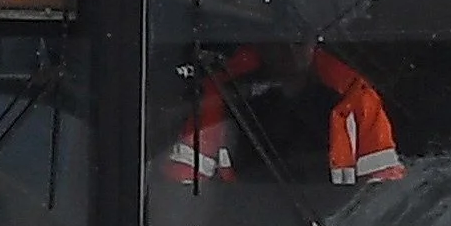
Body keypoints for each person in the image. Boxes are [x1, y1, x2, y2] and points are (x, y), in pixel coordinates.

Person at [162, 44, 403, 188]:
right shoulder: (221, 93)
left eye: (299, 37)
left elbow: (383, 191)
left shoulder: (357, 96)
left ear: (315, 39)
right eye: (281, 36)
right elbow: (183, 182)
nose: (290, 48)